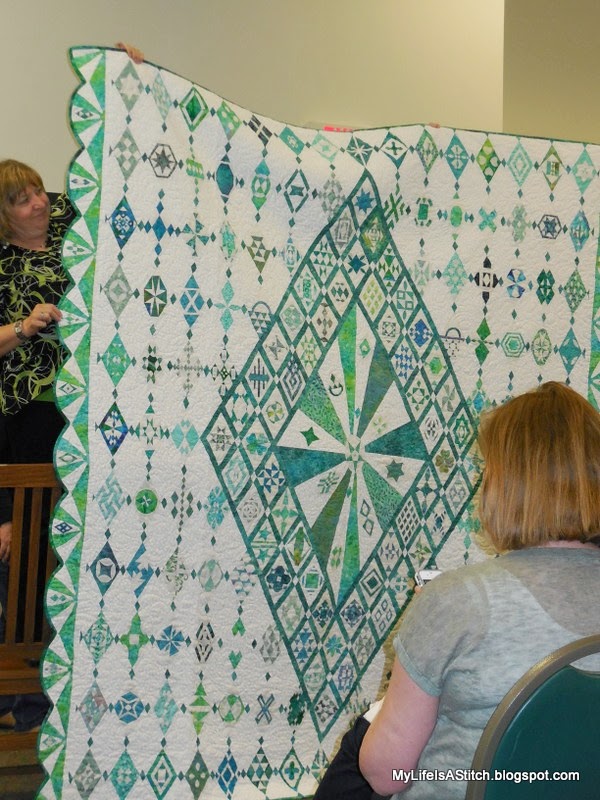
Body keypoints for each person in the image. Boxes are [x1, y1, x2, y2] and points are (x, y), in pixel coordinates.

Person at [314, 381, 600, 800]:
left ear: (509, 487)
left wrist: (416, 654)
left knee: (358, 753)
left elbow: (386, 774)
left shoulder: (456, 600)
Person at [0, 41, 144, 734]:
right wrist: (23, 326)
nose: (38, 202)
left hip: (92, 403)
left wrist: (130, 80)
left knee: (84, 535)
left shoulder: (71, 226)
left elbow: (123, 173)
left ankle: (77, 678)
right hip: (28, 414)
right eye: (22, 198)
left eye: (37, 191)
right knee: (26, 541)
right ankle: (25, 684)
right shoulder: (1, 265)